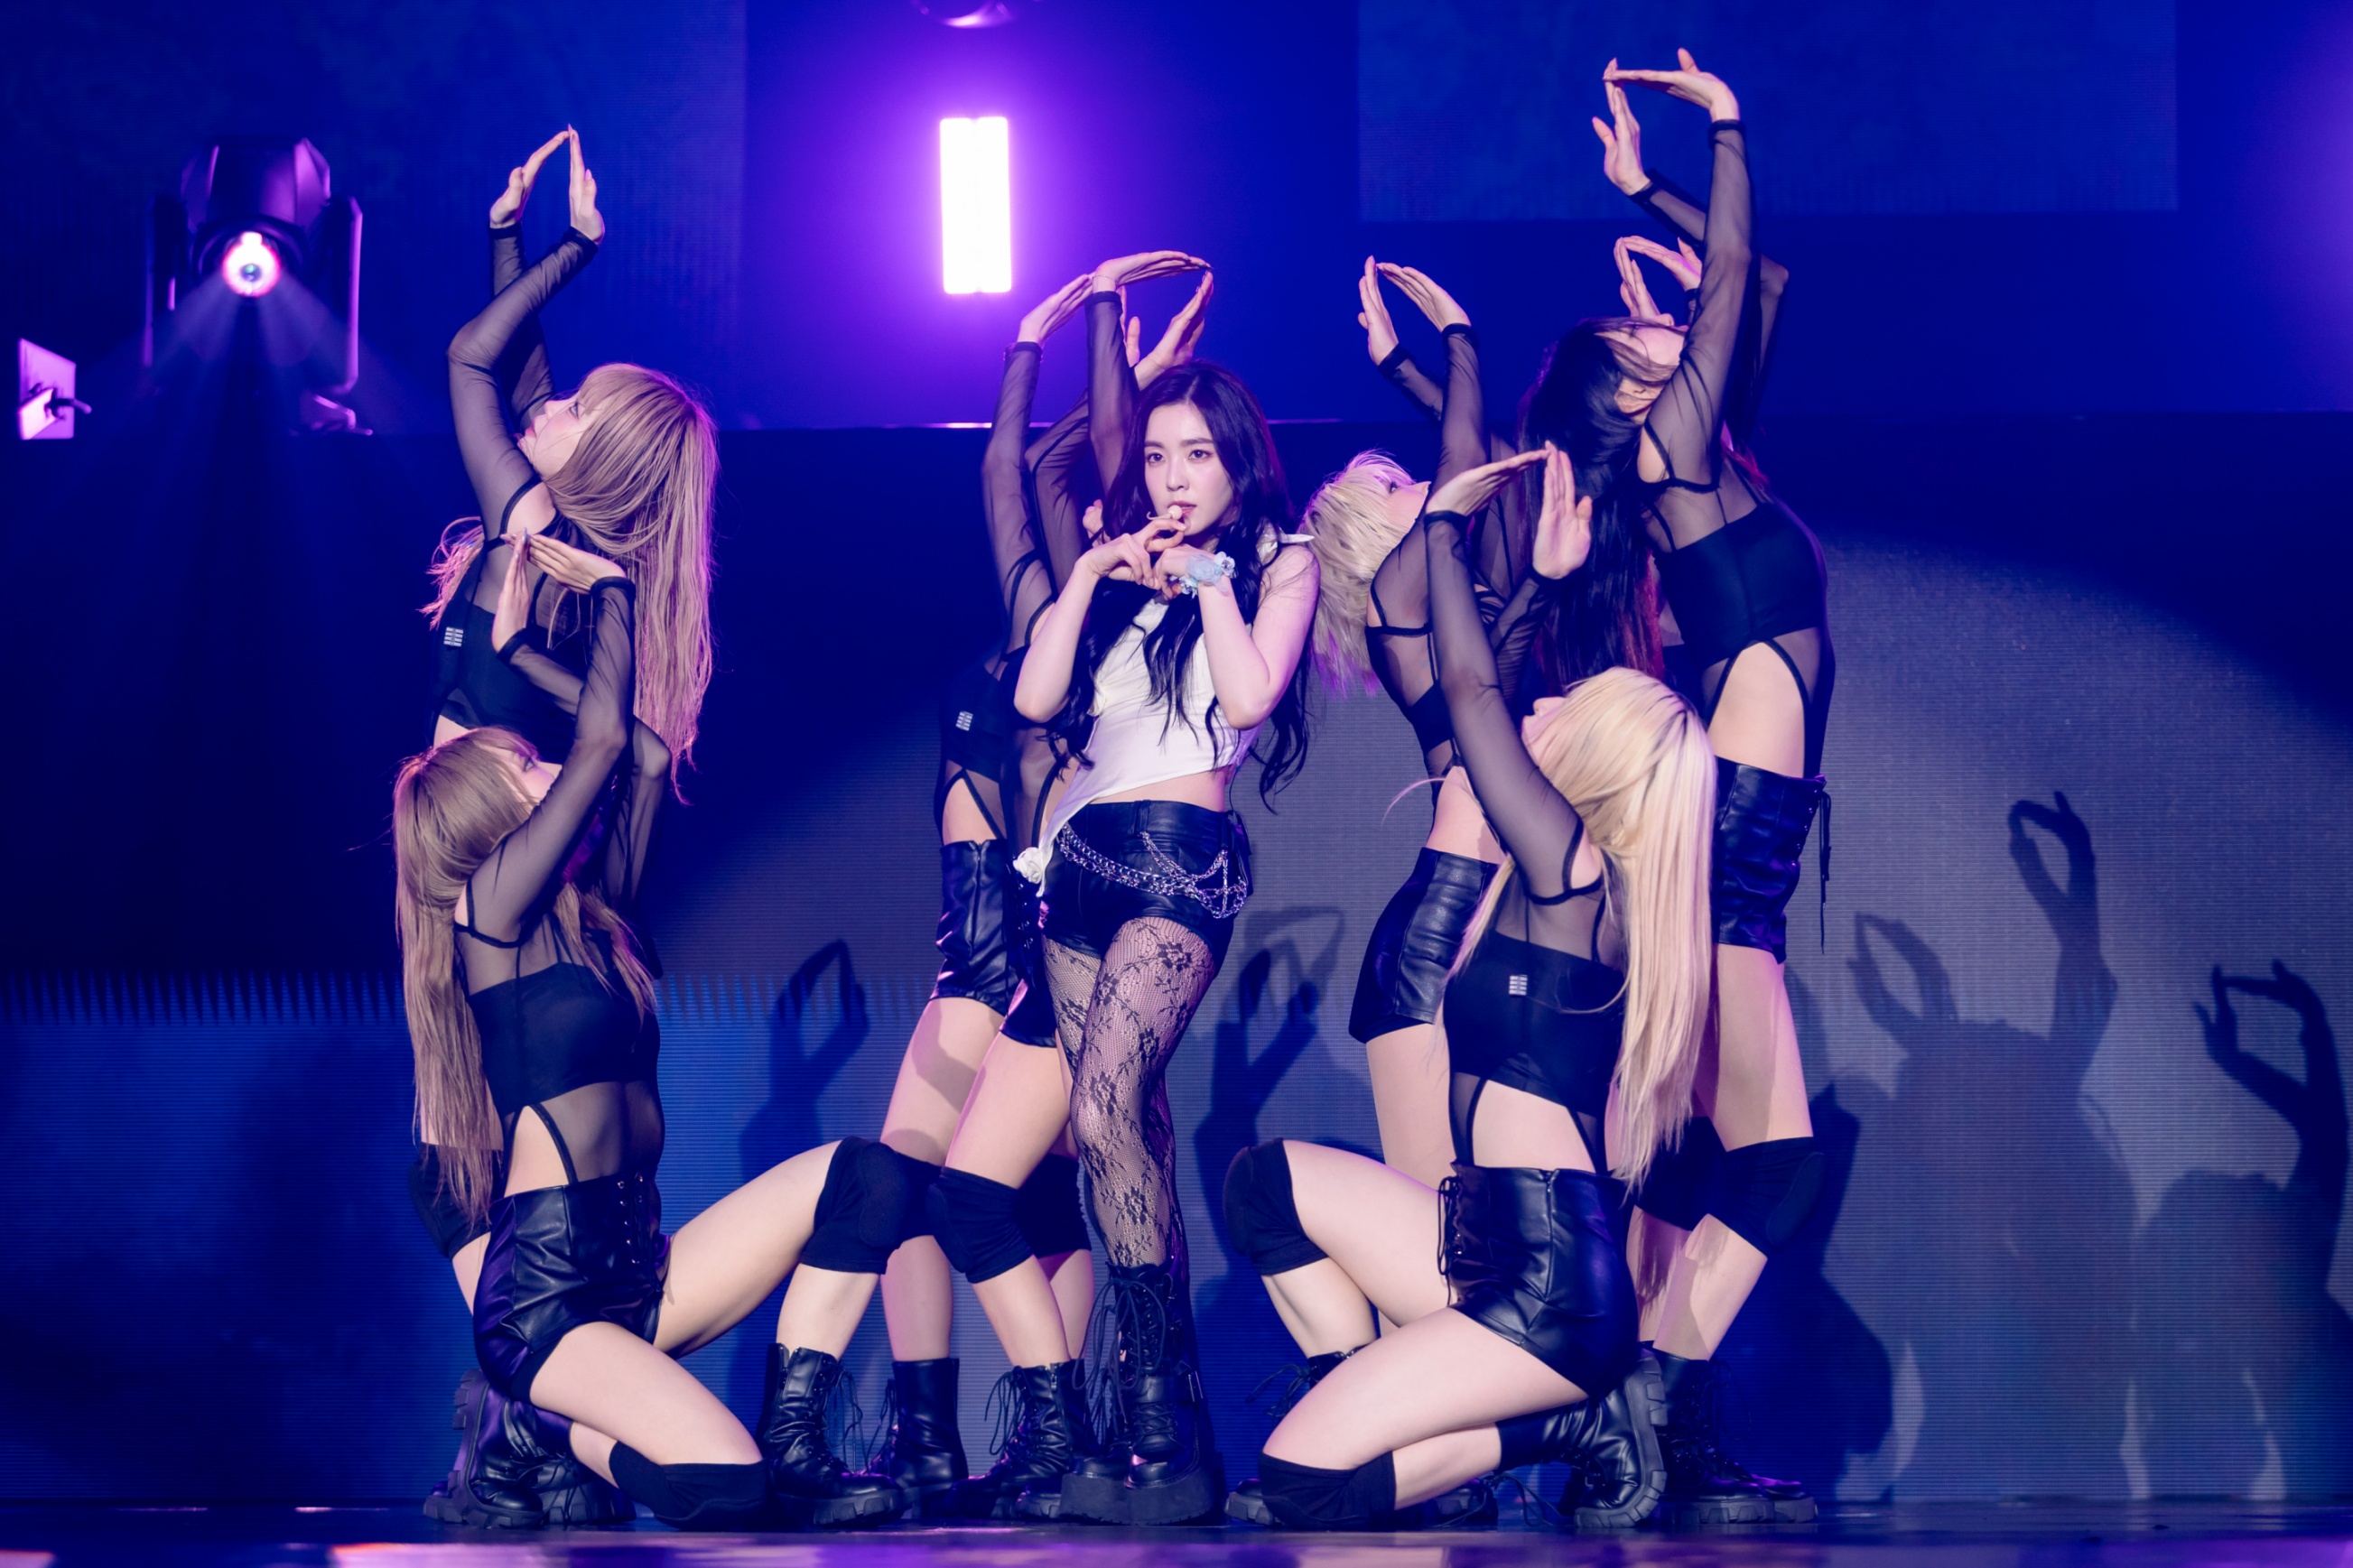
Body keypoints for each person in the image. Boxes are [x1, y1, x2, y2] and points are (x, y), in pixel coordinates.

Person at [1220, 446, 1714, 1530]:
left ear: (1598, 760)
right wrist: (1531, 580)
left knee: (1301, 1484)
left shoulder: (1570, 875)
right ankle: (1381, 1405)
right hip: (1486, 1253)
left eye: (1573, 702)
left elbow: (1472, 689)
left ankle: (1578, 1424)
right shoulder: (1556, 883)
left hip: (1548, 1293)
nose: (1549, 701)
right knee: (1262, 1187)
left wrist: (1441, 530)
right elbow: (1479, 685)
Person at [395, 529, 901, 1531]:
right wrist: (614, 595)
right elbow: (597, 749)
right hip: (547, 1301)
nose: (547, 765)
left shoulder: (597, 914)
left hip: (643, 1269)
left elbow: (643, 754)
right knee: (722, 1489)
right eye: (523, 763)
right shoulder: (486, 918)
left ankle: (795, 1443)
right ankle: (531, 1423)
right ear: (491, 813)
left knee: (867, 1177)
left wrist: (521, 653)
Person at [1567, 53, 1832, 1525]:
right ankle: (1653, 1404)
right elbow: (1733, 276)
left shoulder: (1713, 461)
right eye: (1644, 334)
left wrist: (1643, 190)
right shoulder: (1669, 459)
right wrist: (1721, 125)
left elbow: (1760, 284)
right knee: (1772, 1162)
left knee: (1690, 1155)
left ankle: (1668, 1429)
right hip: (1732, 848)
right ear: (1631, 392)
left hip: (1745, 839)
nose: (1670, 325)